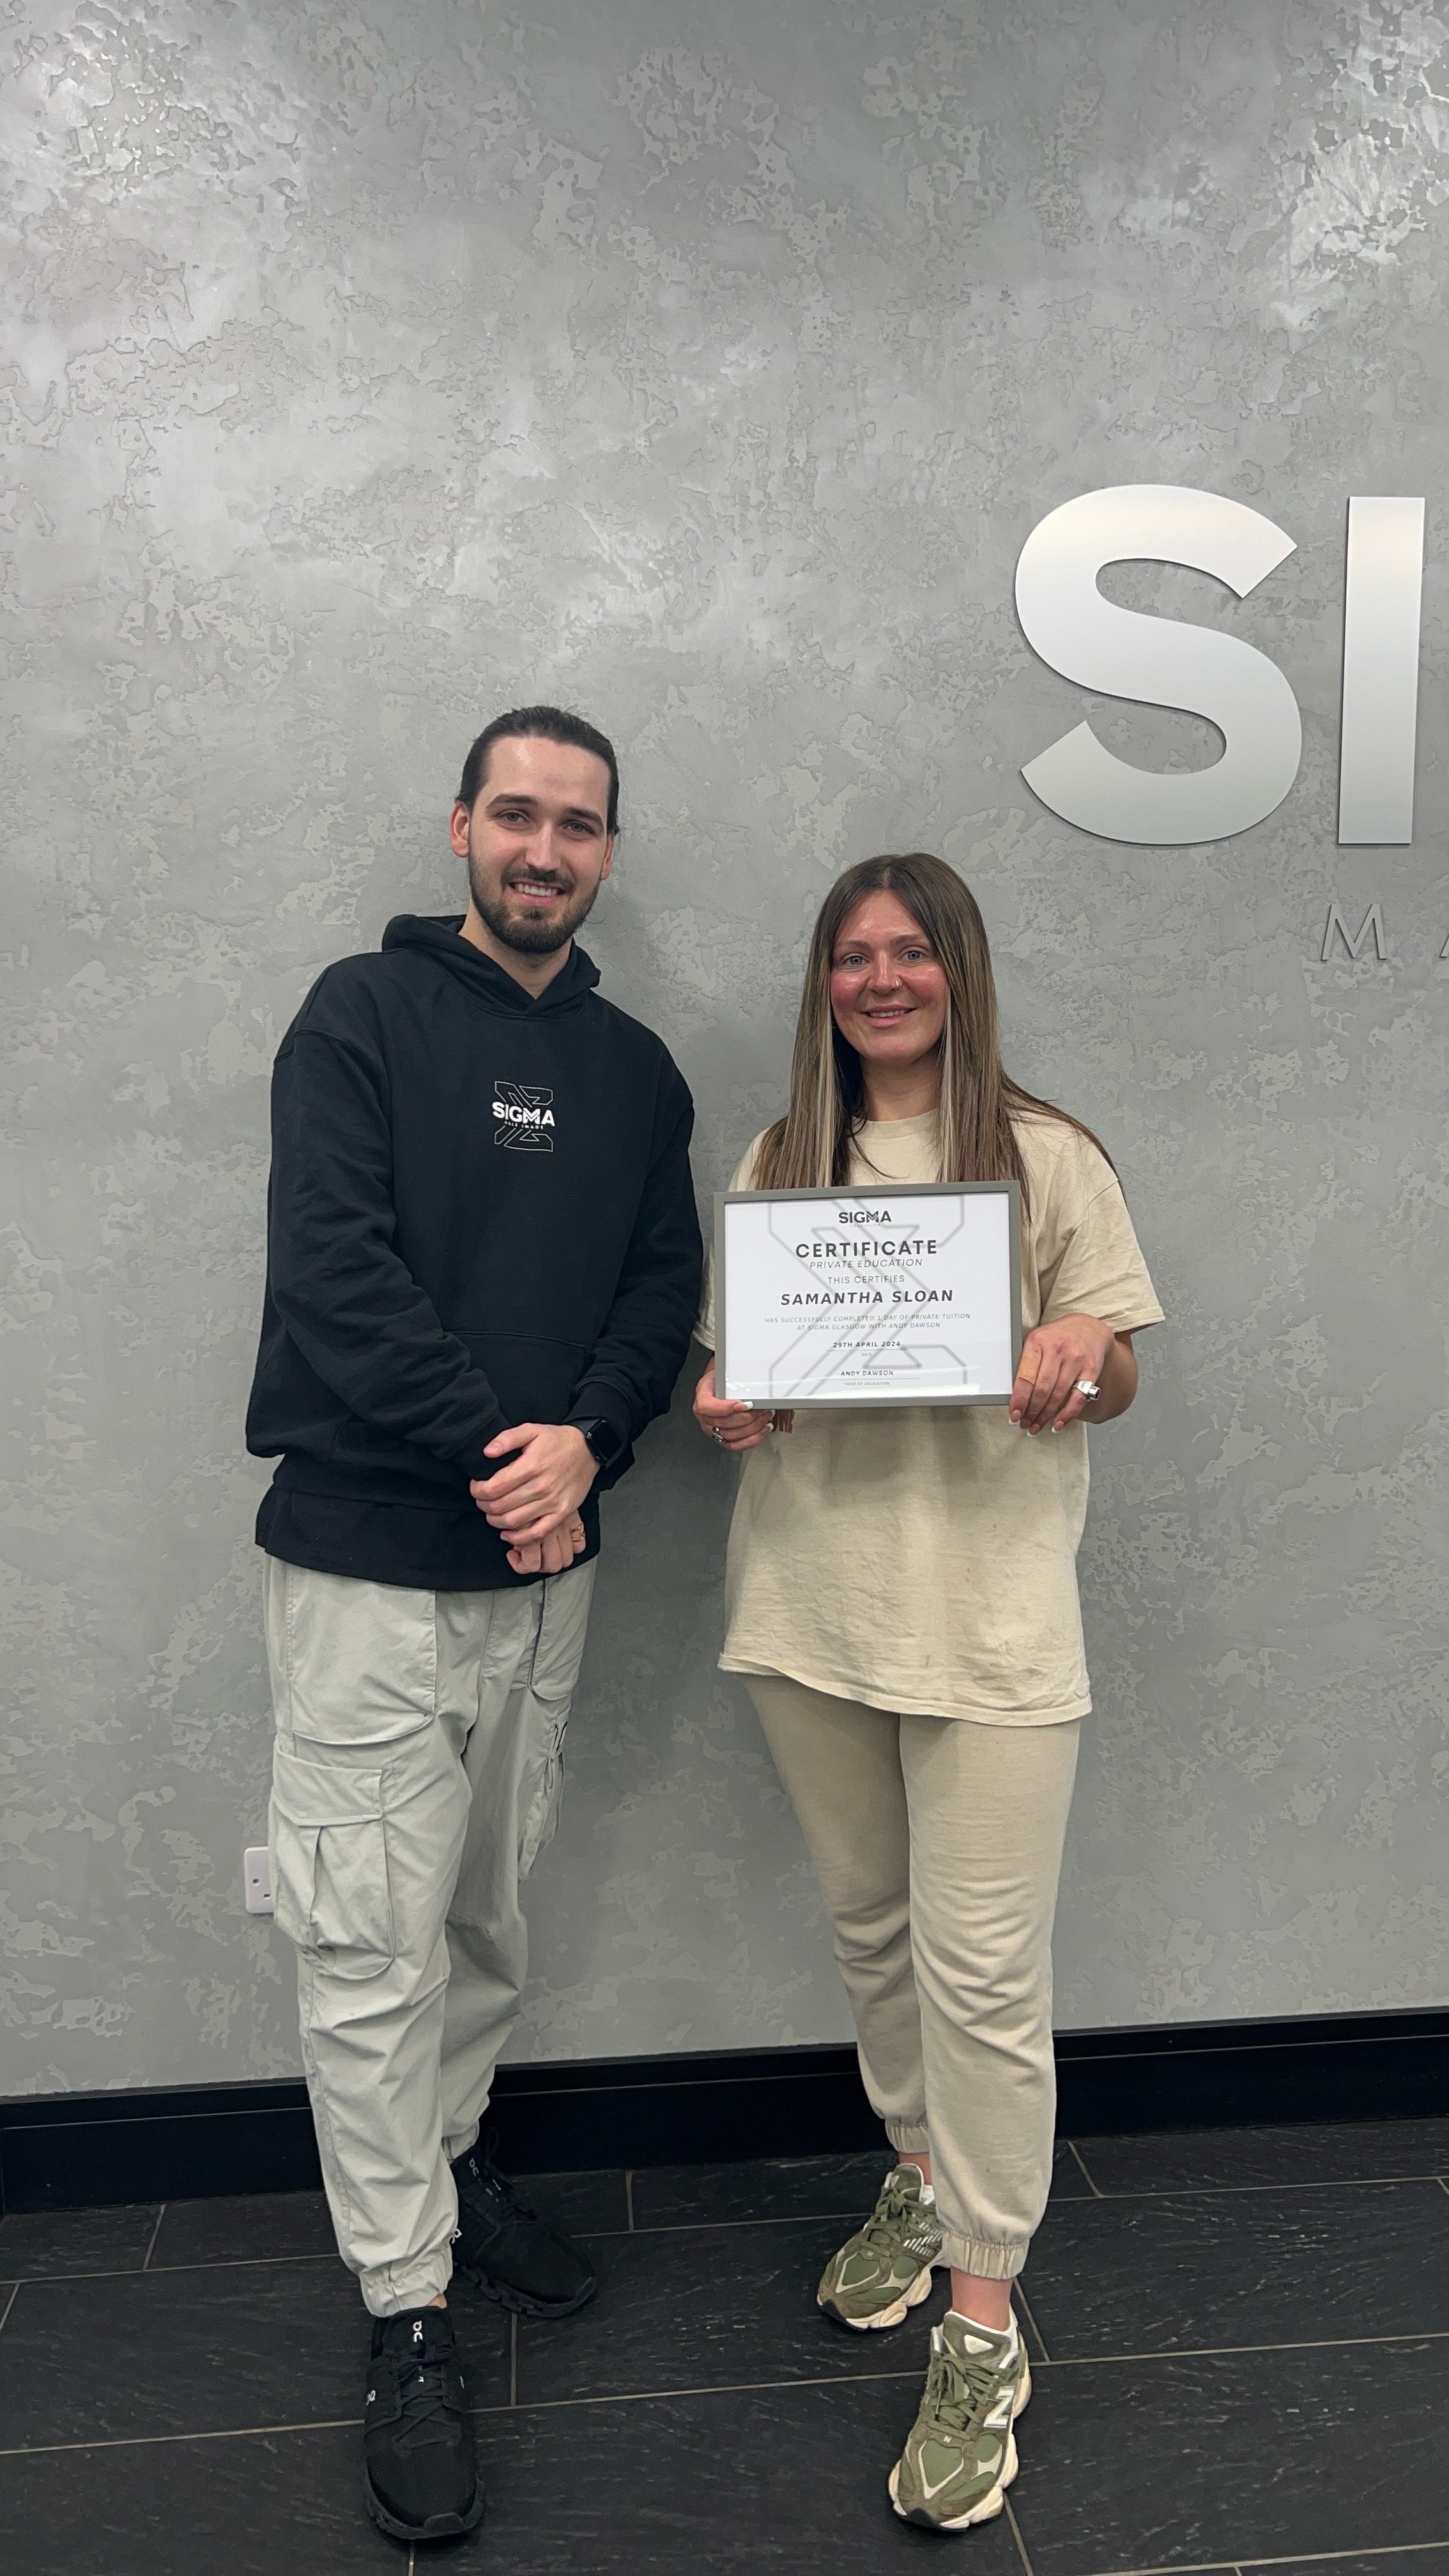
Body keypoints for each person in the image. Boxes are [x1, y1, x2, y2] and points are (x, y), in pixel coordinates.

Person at [246, 705, 702, 2543]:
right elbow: (332, 1268)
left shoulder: (639, 1069)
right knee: (366, 1948)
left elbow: (660, 1284)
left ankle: (443, 2166)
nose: (544, 848)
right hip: (368, 1566)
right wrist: (498, 1453)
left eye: (577, 825)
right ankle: (406, 2309)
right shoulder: (355, 1022)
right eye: (514, 814)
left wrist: (585, 1443)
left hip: (543, 1581)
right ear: (458, 831)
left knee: (485, 1913)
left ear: (606, 852)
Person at [693, 851, 1162, 2536]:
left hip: (988, 1628)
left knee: (981, 1975)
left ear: (958, 970)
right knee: (875, 1934)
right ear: (821, 983)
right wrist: (725, 1400)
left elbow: (1116, 1368)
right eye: (849, 956)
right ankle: (912, 2177)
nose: (878, 979)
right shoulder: (778, 1161)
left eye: (908, 953)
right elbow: (740, 1365)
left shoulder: (1046, 1159)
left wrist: (1075, 1356)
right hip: (811, 1608)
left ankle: (981, 2317)